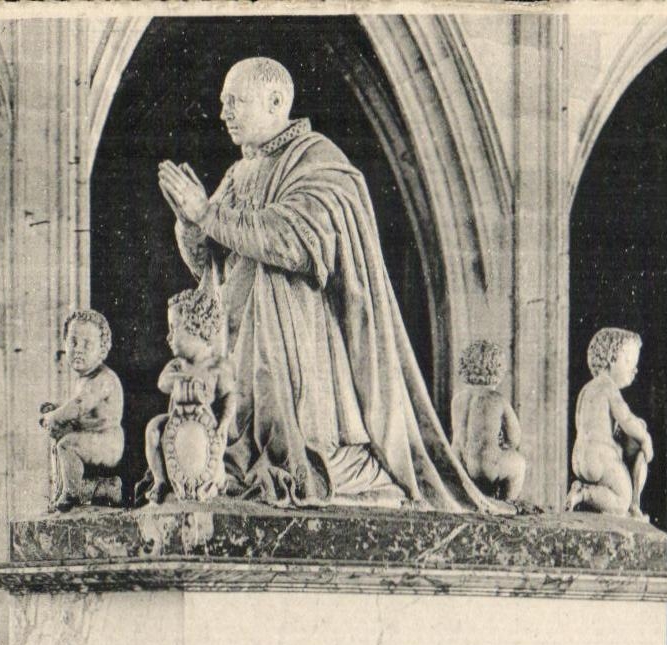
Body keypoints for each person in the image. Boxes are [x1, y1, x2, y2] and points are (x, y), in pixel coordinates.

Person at [157, 57, 491, 510]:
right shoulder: (240, 172)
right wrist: (190, 224)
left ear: (276, 102)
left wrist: (207, 214)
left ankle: (326, 465)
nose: (224, 114)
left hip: (299, 342)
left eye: (234, 102)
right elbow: (209, 265)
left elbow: (298, 242)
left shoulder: (318, 159)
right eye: (222, 104)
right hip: (239, 337)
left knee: (307, 454)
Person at [140, 287, 236, 504]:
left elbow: (230, 397)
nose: (169, 336)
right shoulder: (176, 365)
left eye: (175, 328)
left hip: (206, 425)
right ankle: (160, 480)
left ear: (197, 327)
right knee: (153, 429)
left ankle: (214, 481)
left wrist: (224, 424)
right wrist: (180, 379)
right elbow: (162, 383)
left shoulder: (217, 367)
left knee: (215, 448)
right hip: (176, 420)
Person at [39, 309, 124, 512]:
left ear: (102, 349)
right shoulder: (84, 379)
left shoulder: (104, 379)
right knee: (60, 439)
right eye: (74, 342)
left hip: (108, 441)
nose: (78, 349)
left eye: (87, 344)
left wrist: (54, 415)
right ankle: (95, 488)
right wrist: (57, 410)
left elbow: (79, 406)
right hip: (93, 436)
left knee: (67, 445)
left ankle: (71, 493)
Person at [565, 328, 653, 519]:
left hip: (580, 457)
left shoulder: (587, 389)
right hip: (601, 456)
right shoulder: (608, 387)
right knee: (622, 500)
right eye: (629, 361)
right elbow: (627, 419)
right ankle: (584, 493)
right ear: (611, 359)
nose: (634, 369)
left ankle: (585, 492)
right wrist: (645, 438)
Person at [451, 339, 527, 501]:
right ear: (498, 370)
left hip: (457, 466)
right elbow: (514, 439)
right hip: (484, 468)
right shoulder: (497, 399)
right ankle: (507, 504)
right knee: (518, 463)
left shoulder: (458, 399)